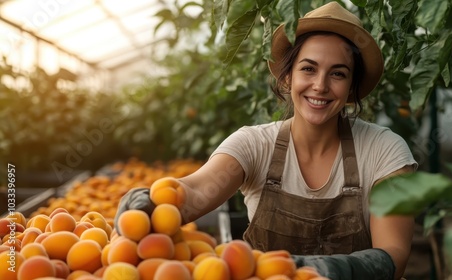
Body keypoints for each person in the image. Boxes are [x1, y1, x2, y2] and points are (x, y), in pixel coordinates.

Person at [115, 2, 417, 279]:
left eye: (338, 74)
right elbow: (194, 191)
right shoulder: (254, 145)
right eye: (308, 69)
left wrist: (337, 269)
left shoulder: (384, 151)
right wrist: (150, 204)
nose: (320, 85)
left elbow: (394, 254)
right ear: (287, 78)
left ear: (352, 89)